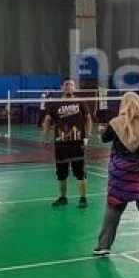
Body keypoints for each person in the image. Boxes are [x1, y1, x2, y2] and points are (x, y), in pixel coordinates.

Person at [94, 92, 139, 256]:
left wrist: (102, 131)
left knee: (114, 208)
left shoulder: (114, 123)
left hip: (121, 172)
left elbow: (105, 138)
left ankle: (104, 246)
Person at [41, 79, 92, 208]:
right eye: (66, 84)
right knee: (61, 172)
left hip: (78, 142)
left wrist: (88, 134)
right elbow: (47, 120)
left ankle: (83, 198)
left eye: (71, 85)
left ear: (74, 88)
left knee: (80, 172)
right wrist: (44, 136)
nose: (69, 86)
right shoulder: (55, 104)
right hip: (61, 143)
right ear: (62, 87)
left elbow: (88, 118)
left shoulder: (80, 102)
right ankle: (63, 197)